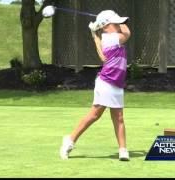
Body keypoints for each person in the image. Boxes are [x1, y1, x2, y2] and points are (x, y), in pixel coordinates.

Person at [60, 10, 131, 161]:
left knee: (118, 118)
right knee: (95, 115)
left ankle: (123, 150)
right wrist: (120, 22)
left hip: (116, 84)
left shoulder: (106, 38)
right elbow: (127, 33)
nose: (119, 25)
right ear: (106, 26)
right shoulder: (111, 37)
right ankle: (70, 140)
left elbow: (103, 57)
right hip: (106, 82)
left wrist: (94, 35)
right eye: (115, 23)